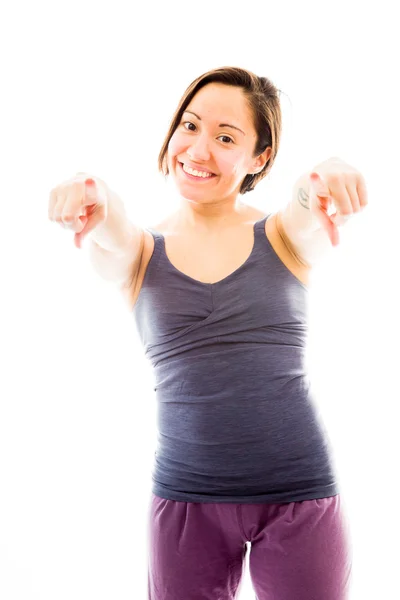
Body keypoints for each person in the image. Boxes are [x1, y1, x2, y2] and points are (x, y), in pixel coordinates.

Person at [48, 66, 368, 600]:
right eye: (190, 126)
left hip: (300, 497)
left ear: (258, 157)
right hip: (185, 501)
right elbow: (112, 228)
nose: (198, 149)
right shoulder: (142, 252)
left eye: (225, 138)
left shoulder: (282, 237)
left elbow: (307, 208)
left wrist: (323, 179)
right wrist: (93, 194)